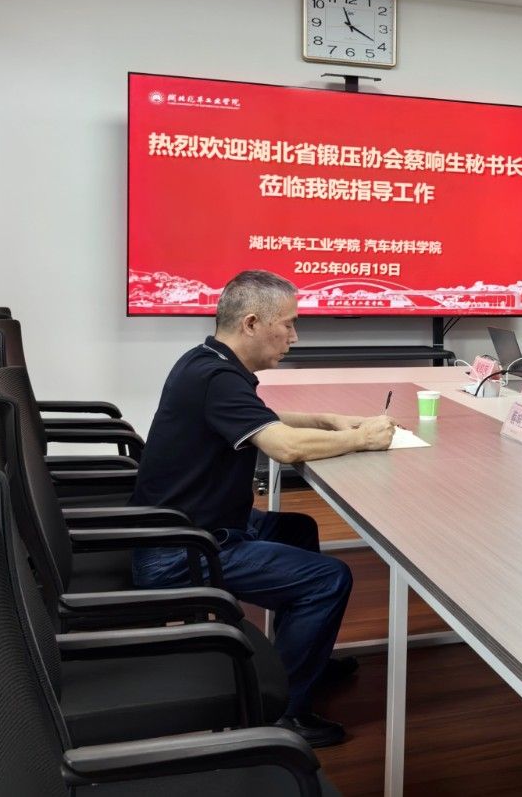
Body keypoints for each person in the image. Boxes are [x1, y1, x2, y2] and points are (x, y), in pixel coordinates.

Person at [129, 270, 396, 747]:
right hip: (180, 551)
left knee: (297, 529)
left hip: (188, 526)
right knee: (329, 579)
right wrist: (361, 439)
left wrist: (327, 420)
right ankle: (282, 714)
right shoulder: (216, 376)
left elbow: (261, 419)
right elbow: (285, 447)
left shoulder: (207, 361)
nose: (295, 337)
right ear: (251, 323)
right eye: (288, 324)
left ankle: (305, 656)